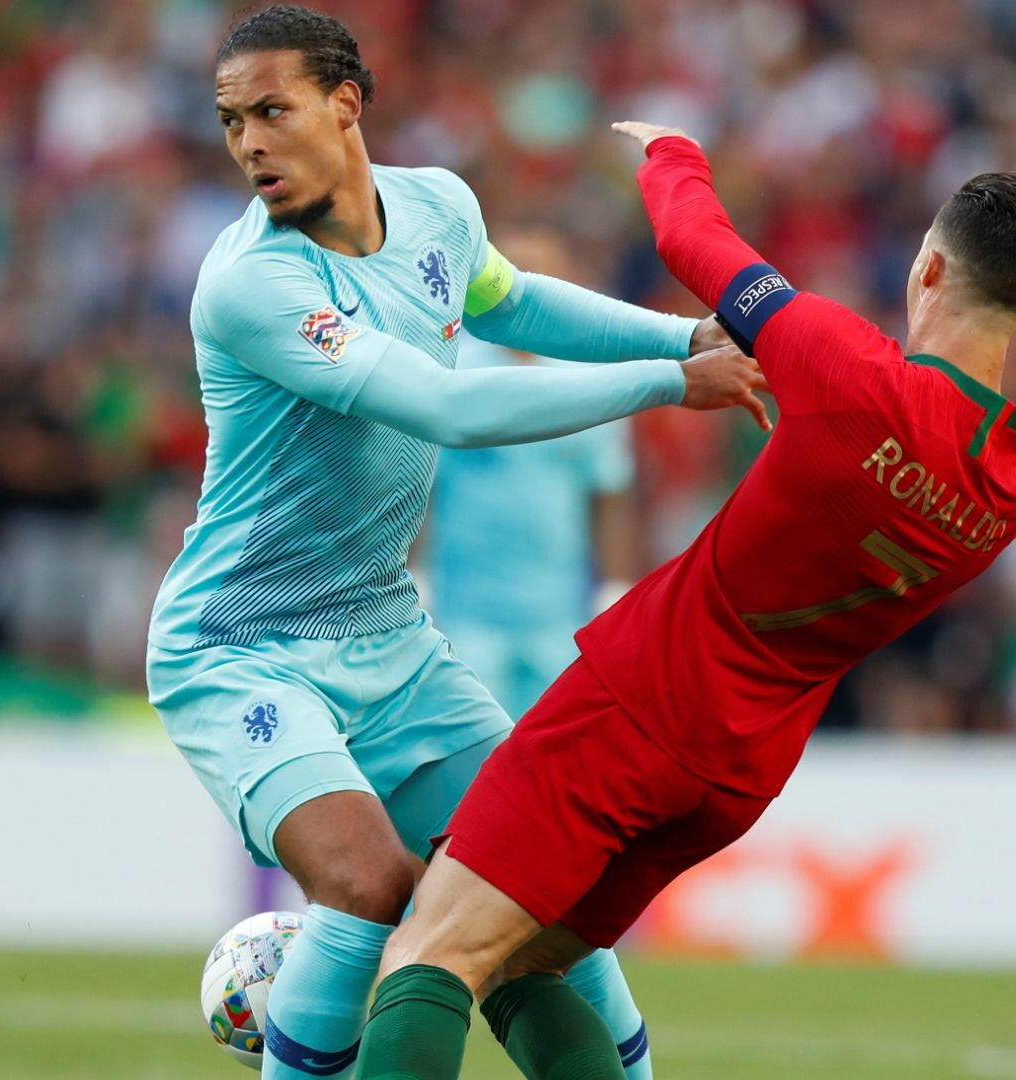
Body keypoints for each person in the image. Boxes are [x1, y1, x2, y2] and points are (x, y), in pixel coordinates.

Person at [352, 121, 1016, 1080]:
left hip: (639, 704)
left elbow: (695, 242)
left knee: (431, 954)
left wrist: (673, 151)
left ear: (929, 270)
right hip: (741, 772)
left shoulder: (846, 366)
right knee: (520, 967)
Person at [147, 10, 766, 1080]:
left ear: (346, 103)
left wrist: (684, 333)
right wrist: (673, 381)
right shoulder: (255, 283)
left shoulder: (439, 208)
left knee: (543, 894)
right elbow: (445, 405)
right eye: (231, 120)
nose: (248, 142)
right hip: (241, 647)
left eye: (271, 111)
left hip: (392, 637)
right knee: (370, 887)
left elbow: (512, 302)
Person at [426, 229, 642, 719]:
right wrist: (410, 577)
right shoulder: (451, 371)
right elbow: (417, 485)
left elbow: (610, 495)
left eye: (536, 275)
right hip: (464, 610)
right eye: (509, 274)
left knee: (550, 757)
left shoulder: (591, 378)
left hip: (558, 613)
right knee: (473, 757)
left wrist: (616, 589)